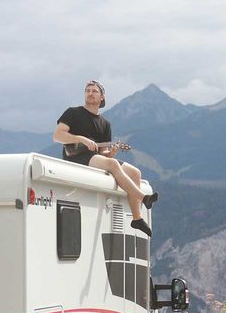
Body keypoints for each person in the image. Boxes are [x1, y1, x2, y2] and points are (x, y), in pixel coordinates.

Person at [53, 80, 157, 236]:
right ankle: (143, 197)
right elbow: (58, 136)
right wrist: (81, 139)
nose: (90, 93)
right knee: (113, 165)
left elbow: (104, 154)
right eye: (87, 90)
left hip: (95, 158)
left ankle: (137, 219)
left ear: (102, 97)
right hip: (76, 156)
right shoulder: (73, 112)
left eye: (94, 91)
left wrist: (112, 153)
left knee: (135, 173)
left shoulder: (105, 123)